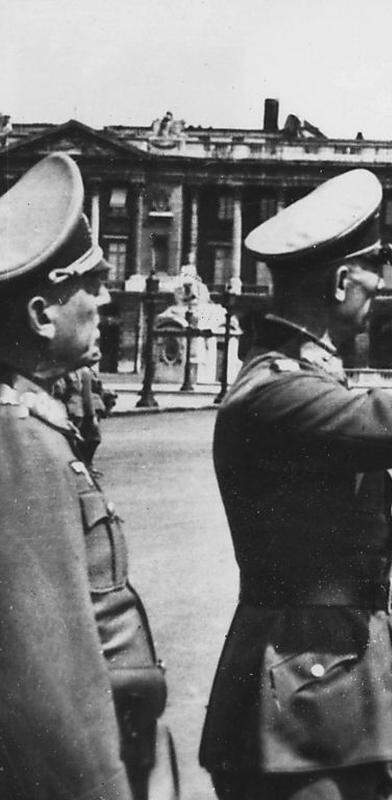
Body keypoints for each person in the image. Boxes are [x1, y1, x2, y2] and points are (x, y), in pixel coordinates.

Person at [199, 168, 392, 800]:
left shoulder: (287, 383)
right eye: (374, 275)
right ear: (341, 281)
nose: (383, 291)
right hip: (301, 693)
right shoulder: (281, 395)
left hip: (325, 677)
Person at [0, 153, 172, 800]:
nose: (105, 298)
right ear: (42, 315)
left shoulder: (30, 421)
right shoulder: (20, 439)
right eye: (90, 283)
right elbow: (56, 689)